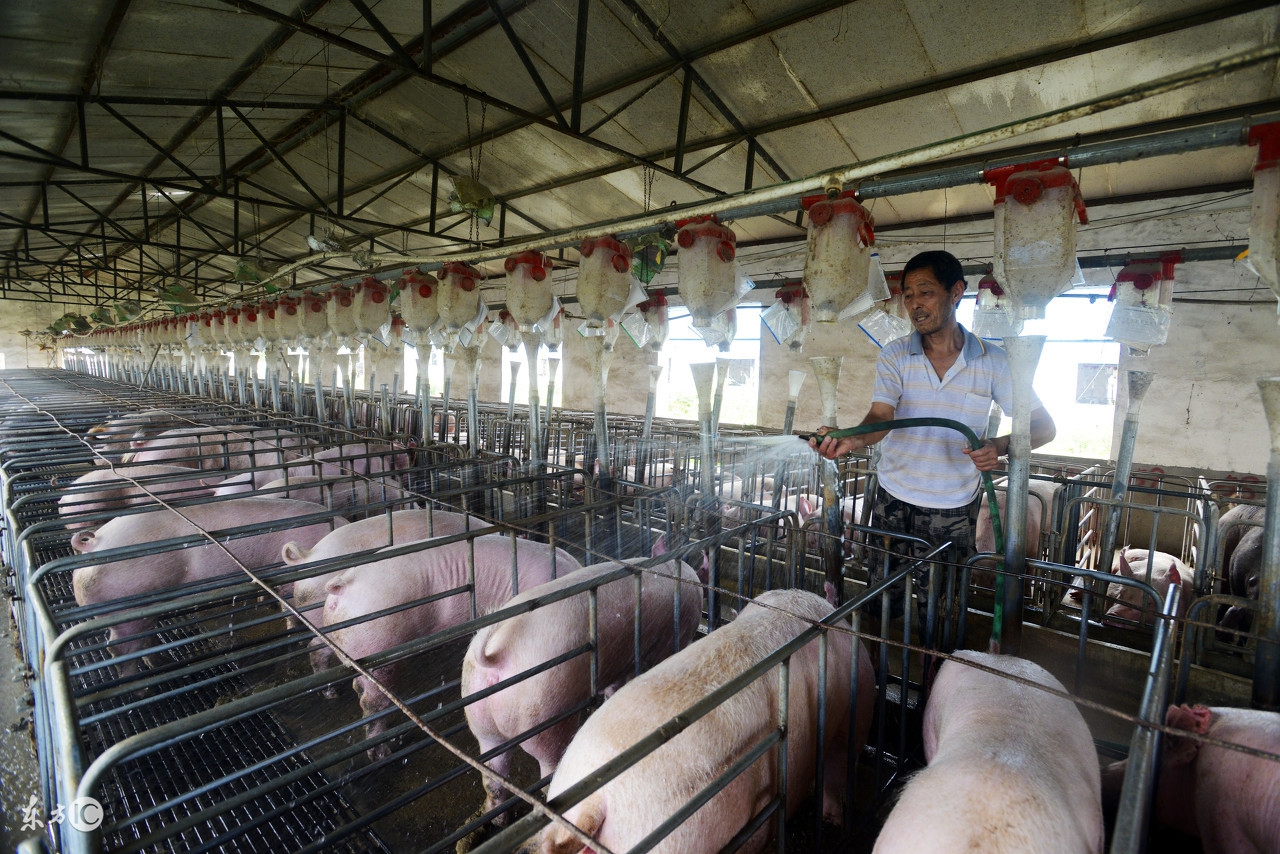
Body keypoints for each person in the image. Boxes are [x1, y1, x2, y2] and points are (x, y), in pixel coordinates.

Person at [811, 249, 1055, 623]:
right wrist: (852, 438)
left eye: (925, 292)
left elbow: (1043, 426)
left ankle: (933, 676)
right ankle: (875, 674)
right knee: (881, 600)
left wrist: (999, 446)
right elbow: (881, 416)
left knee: (940, 608)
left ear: (955, 291)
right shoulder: (895, 355)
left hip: (953, 507)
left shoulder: (995, 361)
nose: (914, 304)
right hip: (892, 498)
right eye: (908, 295)